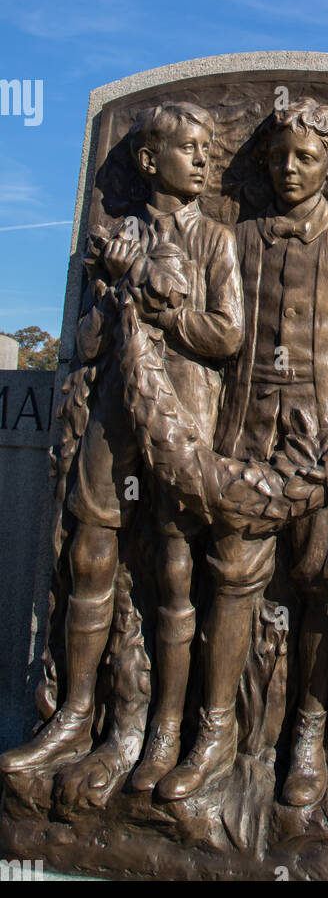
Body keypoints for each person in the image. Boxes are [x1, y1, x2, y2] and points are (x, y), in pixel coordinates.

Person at [0, 102, 243, 794]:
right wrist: (114, 292)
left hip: (183, 416)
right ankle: (77, 712)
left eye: (207, 150)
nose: (202, 161)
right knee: (90, 552)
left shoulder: (215, 241)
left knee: (174, 563)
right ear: (148, 159)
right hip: (112, 416)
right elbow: (82, 346)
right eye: (189, 148)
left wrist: (164, 309)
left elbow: (228, 336)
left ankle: (166, 729)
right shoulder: (113, 237)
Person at [157, 97, 328, 807]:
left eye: (307, 159)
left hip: (321, 441)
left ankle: (308, 737)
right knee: (232, 573)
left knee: (318, 580)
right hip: (247, 434)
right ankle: (214, 730)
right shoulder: (243, 236)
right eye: (280, 157)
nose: (290, 169)